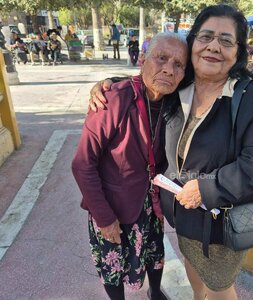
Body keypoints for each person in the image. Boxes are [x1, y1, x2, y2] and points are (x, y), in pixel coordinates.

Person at [90, 5, 253, 300]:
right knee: (193, 267)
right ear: (193, 42)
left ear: (238, 51)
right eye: (206, 36)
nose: (214, 46)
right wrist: (110, 84)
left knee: (219, 285)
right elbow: (150, 78)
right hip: (181, 212)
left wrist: (208, 189)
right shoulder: (181, 84)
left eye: (226, 40)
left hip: (223, 217)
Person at [72, 32, 188, 300]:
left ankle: (155, 293)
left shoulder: (178, 101)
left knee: (154, 253)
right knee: (112, 261)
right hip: (112, 203)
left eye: (178, 64)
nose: (168, 69)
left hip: (151, 200)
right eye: (161, 58)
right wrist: (104, 217)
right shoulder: (112, 99)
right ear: (143, 59)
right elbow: (82, 164)